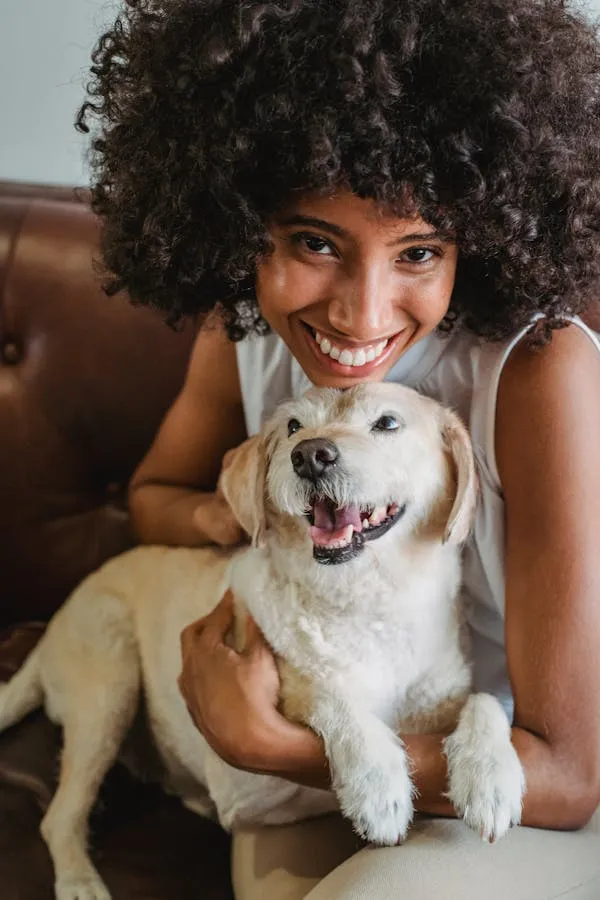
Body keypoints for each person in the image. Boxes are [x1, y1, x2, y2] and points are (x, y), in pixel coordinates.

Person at [76, 0, 600, 897]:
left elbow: (569, 774)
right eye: (314, 242)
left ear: (478, 238)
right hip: (332, 738)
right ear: (240, 221)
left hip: (507, 782)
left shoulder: (537, 372)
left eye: (418, 252)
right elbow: (155, 497)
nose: (361, 316)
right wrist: (238, 517)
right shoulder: (245, 334)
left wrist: (268, 741)